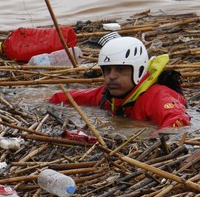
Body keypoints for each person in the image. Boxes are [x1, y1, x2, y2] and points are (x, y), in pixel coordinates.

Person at [49, 36, 190, 129]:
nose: (111, 76)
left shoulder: (158, 96)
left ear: (138, 70)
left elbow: (179, 121)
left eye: (120, 69)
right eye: (107, 70)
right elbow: (70, 97)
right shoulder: (108, 95)